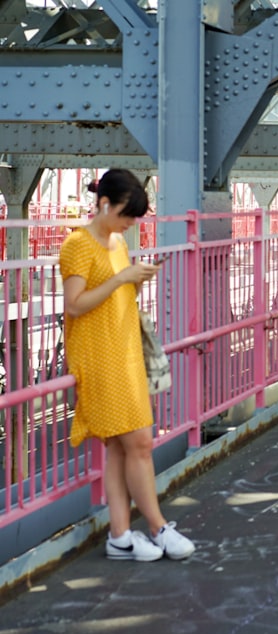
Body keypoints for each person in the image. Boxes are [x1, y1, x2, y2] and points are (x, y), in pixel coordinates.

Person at [59, 169, 195, 562]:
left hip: (124, 349)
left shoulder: (116, 240)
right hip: (98, 356)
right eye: (126, 214)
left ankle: (119, 535)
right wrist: (123, 278)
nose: (131, 223)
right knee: (139, 442)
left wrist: (133, 281)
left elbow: (115, 293)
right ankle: (158, 527)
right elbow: (74, 304)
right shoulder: (77, 245)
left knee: (121, 447)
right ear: (104, 204)